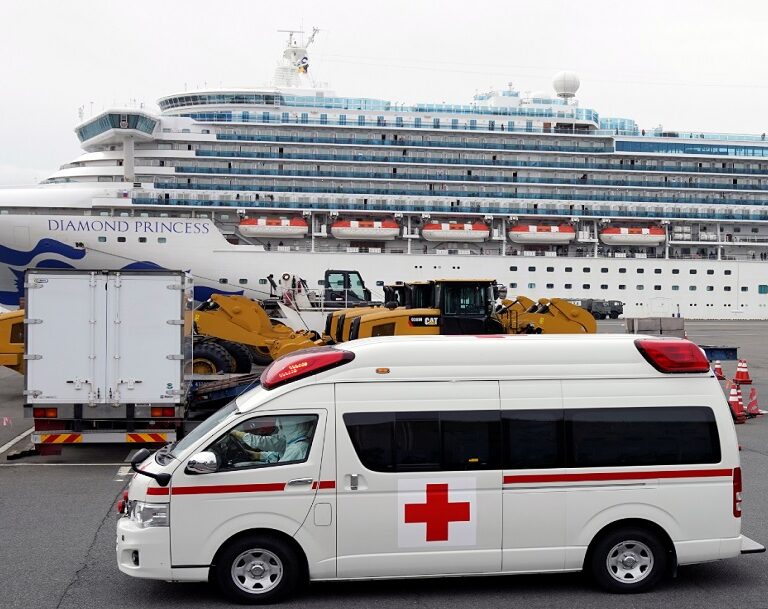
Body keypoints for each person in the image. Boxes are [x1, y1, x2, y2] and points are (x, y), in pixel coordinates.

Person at [232, 417, 314, 463]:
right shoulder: (292, 440)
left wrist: (241, 435)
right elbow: (273, 443)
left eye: (282, 426)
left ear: (293, 426)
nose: (280, 429)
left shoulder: (298, 448)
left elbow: (278, 469)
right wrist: (258, 455)